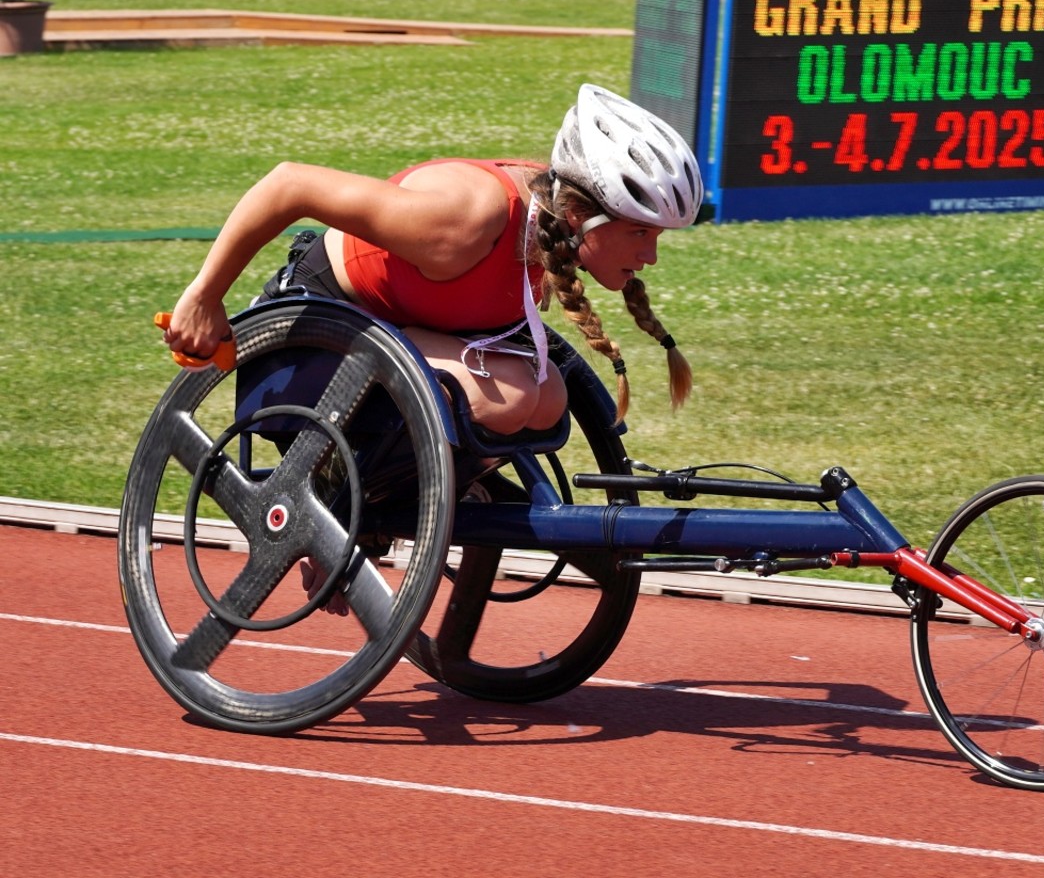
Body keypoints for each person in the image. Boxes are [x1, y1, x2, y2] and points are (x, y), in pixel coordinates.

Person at [160, 83, 704, 612]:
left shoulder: (551, 225)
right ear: (584, 217)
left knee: (548, 398)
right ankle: (335, 497)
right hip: (316, 344)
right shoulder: (464, 219)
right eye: (641, 233)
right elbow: (288, 184)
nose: (651, 256)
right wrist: (204, 296)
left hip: (409, 333)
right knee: (511, 397)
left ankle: (415, 492)